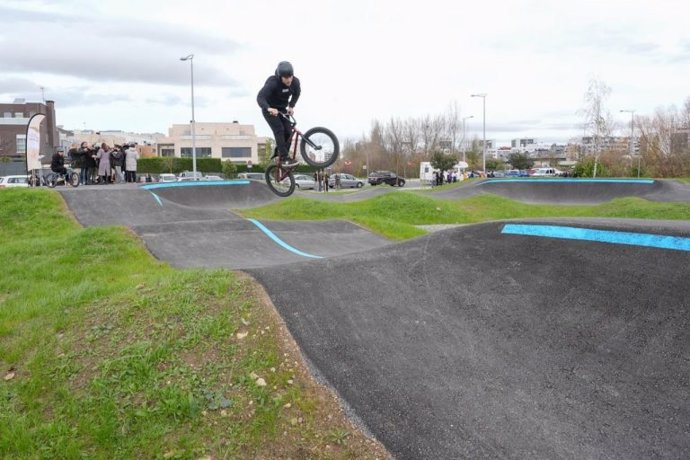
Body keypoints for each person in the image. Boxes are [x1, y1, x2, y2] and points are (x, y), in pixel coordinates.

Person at [256, 61, 301, 167]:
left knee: (289, 133)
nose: (288, 80)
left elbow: (297, 93)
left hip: (282, 109)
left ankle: (280, 152)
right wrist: (268, 108)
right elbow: (260, 97)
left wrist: (291, 106)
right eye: (285, 78)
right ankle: (285, 158)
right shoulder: (273, 83)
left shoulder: (295, 82)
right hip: (270, 110)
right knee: (279, 129)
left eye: (290, 76)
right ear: (280, 77)